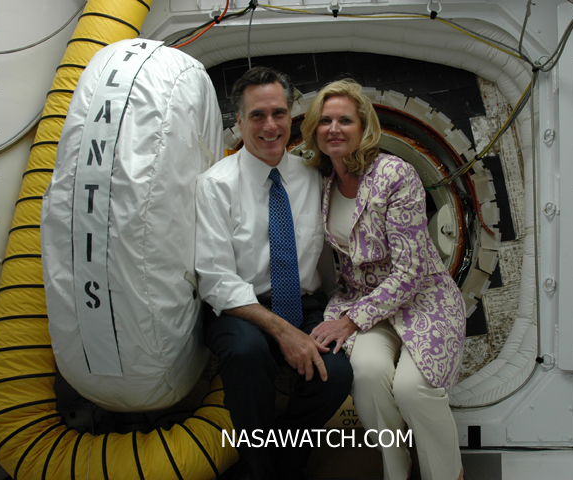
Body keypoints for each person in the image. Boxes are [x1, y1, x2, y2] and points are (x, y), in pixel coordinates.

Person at [301, 79, 466, 480]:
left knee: (413, 389)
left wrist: (349, 322)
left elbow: (410, 270)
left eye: (345, 120)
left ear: (364, 127)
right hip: (362, 300)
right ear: (314, 129)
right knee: (369, 376)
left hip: (423, 298)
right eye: (325, 120)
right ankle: (397, 472)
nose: (334, 128)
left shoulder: (395, 174)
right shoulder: (323, 183)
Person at [195, 67, 353, 480]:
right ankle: (259, 468)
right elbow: (215, 278)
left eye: (278, 113)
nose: (270, 126)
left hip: (305, 304)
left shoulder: (314, 178)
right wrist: (284, 332)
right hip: (242, 309)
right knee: (246, 354)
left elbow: (330, 259)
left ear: (291, 116)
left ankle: (285, 458)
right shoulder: (216, 186)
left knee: (336, 374)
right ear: (239, 122)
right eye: (257, 115)